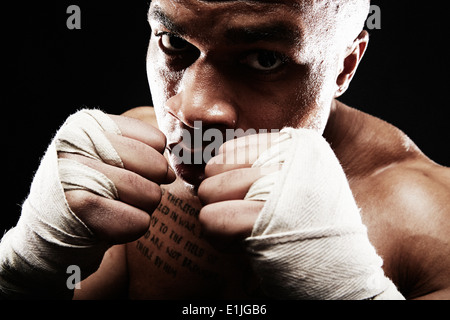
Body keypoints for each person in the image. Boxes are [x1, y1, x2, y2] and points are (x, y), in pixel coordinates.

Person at [1, 0, 449, 300]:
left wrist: (353, 292)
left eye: (264, 59)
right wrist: (23, 270)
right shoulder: (128, 164)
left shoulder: (433, 224)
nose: (194, 110)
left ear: (344, 67)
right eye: (176, 44)